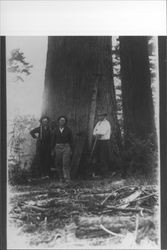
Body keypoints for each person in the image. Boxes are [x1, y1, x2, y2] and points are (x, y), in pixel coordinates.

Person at [51, 116, 74, 183]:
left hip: (66, 147)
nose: (62, 122)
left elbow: (71, 140)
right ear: (58, 121)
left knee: (65, 163)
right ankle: (61, 177)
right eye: (61, 120)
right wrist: (52, 150)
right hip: (57, 147)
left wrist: (71, 149)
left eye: (63, 120)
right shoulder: (55, 130)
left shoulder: (68, 130)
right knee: (58, 163)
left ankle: (67, 178)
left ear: (65, 122)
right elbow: (53, 140)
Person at [93, 112, 111, 177]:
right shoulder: (98, 123)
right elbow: (94, 131)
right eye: (99, 116)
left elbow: (103, 132)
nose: (100, 117)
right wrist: (95, 134)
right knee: (96, 155)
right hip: (98, 141)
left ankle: (104, 172)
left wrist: (99, 134)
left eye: (101, 116)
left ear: (104, 116)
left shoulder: (107, 123)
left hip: (104, 142)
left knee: (103, 156)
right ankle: (97, 172)